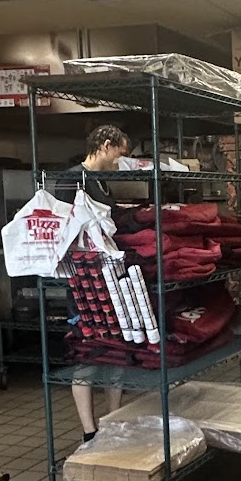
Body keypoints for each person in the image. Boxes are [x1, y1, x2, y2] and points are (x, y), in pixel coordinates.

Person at [69, 124, 130, 442]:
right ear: (106, 145)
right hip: (82, 281)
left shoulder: (102, 181)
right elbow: (64, 229)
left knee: (115, 352)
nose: (118, 161)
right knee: (87, 355)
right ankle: (89, 431)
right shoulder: (72, 179)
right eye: (118, 154)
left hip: (107, 276)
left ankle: (112, 422)